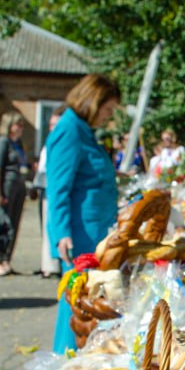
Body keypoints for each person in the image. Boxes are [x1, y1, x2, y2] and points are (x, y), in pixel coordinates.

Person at [45, 74, 121, 353]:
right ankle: (65, 366)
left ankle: (79, 363)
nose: (108, 117)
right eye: (108, 110)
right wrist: (62, 233)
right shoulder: (70, 130)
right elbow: (58, 188)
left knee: (87, 306)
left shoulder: (83, 131)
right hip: (80, 236)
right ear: (93, 101)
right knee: (75, 306)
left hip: (95, 232)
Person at [0, 112, 30, 277]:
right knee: (4, 225)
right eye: (18, 124)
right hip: (6, 187)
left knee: (15, 224)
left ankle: (7, 259)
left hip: (19, 187)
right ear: (9, 125)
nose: (20, 128)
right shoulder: (2, 143)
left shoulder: (17, 144)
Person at [34, 106, 64, 279]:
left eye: (55, 124)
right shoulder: (52, 143)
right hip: (49, 187)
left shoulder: (55, 142)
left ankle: (53, 263)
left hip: (52, 187)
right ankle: (49, 265)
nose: (52, 128)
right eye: (51, 125)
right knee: (49, 225)